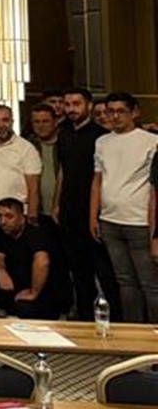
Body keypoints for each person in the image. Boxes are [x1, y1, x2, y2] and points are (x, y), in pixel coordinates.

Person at [90, 92, 158, 322]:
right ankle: (133, 331)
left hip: (139, 220)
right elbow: (97, 180)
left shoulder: (151, 141)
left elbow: (155, 187)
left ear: (134, 112)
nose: (115, 116)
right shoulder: (102, 142)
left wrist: (154, 230)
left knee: (150, 283)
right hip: (109, 220)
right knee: (125, 281)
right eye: (111, 111)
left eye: (121, 111)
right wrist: (93, 215)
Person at [57, 88, 118, 320]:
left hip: (93, 211)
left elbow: (102, 178)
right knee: (78, 268)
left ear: (89, 106)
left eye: (76, 104)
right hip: (69, 209)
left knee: (103, 270)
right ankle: (84, 317)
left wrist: (96, 213)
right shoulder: (63, 134)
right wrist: (57, 204)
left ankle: (113, 318)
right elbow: (62, 171)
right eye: (67, 104)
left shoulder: (101, 137)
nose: (71, 109)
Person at [0, 197, 70, 319]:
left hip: (45, 286)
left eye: (9, 216)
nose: (3, 221)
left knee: (26, 308)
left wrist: (33, 293)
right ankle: (10, 309)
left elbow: (42, 263)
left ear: (22, 218)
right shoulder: (2, 230)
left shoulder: (35, 232)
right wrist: (1, 272)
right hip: (22, 279)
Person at [0, 105, 42, 268]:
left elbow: (33, 186)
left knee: (14, 260)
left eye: (5, 120)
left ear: (12, 122)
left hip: (14, 214)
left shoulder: (26, 148)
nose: (1, 124)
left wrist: (32, 214)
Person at [27, 103, 60, 227]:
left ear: (55, 122)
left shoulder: (66, 143)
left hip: (63, 210)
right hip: (36, 211)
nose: (41, 126)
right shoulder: (27, 146)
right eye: (36, 122)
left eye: (45, 121)